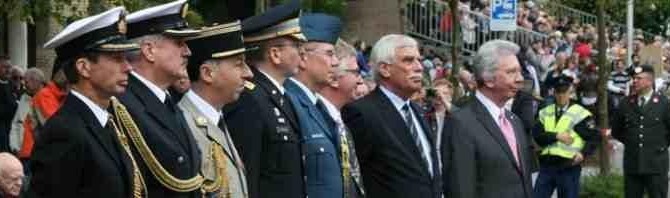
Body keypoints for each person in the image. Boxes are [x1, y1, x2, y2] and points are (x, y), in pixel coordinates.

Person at [28, 7, 144, 197]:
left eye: (126, 58)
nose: (128, 67)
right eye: (117, 58)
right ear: (83, 67)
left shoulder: (106, 122)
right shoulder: (64, 131)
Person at [116, 0, 203, 197]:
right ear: (149, 50)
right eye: (179, 43)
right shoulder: (123, 106)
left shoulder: (167, 100)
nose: (187, 52)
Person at [342, 34, 442, 198]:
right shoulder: (361, 113)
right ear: (384, 69)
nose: (419, 67)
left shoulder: (418, 111)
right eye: (408, 61)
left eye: (419, 60)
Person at [223, 1, 305, 197]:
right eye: (296, 45)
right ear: (275, 54)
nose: (302, 51)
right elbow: (248, 175)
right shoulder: (249, 100)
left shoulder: (280, 96)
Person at [443, 40, 533, 198]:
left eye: (519, 71)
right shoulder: (460, 123)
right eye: (511, 72)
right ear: (488, 79)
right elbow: (461, 188)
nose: (520, 79)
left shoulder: (514, 121)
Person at [179, 21, 252, 197]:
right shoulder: (184, 123)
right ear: (207, 73)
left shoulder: (216, 119)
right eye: (238, 64)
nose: (248, 73)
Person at [283, 13, 345, 198]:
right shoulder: (289, 101)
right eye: (329, 54)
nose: (335, 62)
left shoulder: (318, 105)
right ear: (302, 58)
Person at [533, 75, 599, 198]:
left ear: (570, 92)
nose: (561, 96)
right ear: (554, 92)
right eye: (558, 92)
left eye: (564, 92)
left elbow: (594, 138)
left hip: (568, 166)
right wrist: (556, 136)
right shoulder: (545, 111)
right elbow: (538, 136)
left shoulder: (580, 113)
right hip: (547, 165)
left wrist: (583, 154)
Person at [612, 65, 670, 198]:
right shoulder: (625, 103)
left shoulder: (664, 103)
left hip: (656, 164)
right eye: (633, 78)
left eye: (639, 78)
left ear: (650, 81)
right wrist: (632, 142)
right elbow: (617, 130)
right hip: (633, 164)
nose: (634, 81)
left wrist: (657, 145)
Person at [318, 39, 365, 198]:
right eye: (355, 73)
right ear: (333, 79)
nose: (360, 80)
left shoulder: (340, 122)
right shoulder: (317, 120)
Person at [9, 68, 46, 155]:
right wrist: (14, 146)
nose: (24, 85)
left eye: (26, 82)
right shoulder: (24, 98)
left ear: (36, 81)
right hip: (22, 153)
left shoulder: (48, 98)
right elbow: (16, 124)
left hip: (41, 153)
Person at [0, 57, 17, 153]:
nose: (8, 70)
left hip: (12, 129)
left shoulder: (11, 84)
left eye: (9, 67)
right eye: (4, 67)